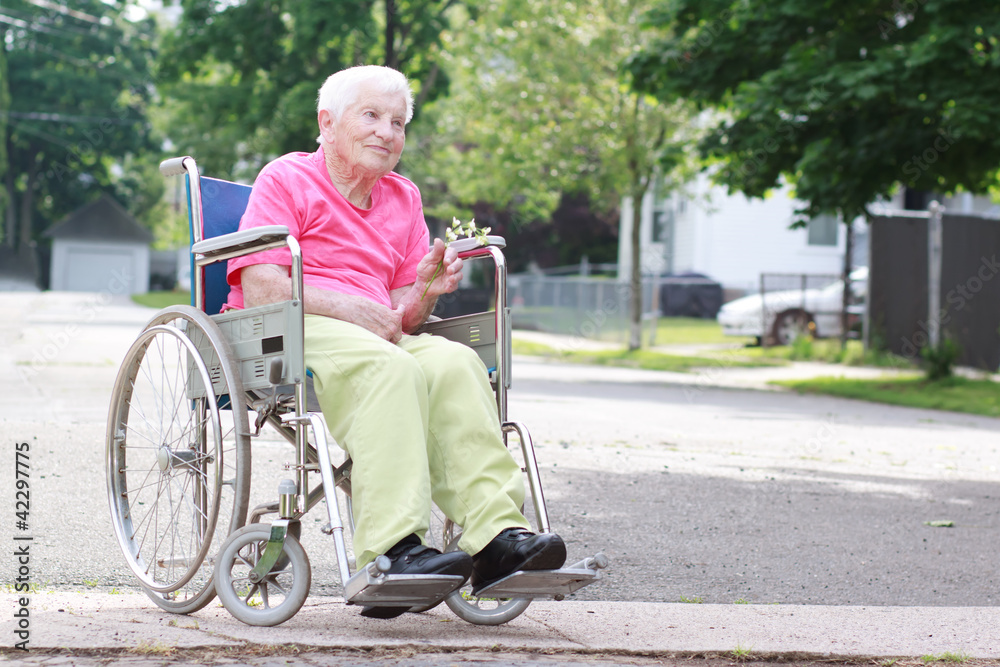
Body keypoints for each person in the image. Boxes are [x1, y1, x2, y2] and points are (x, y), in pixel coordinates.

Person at [224, 65, 566, 618]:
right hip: (292, 327)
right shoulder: (287, 179)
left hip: (378, 334)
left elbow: (403, 317)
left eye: (399, 122)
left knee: (455, 363)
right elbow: (264, 286)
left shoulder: (403, 197)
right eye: (372, 116)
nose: (387, 131)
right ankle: (391, 551)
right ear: (327, 122)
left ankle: (497, 538)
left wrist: (425, 290)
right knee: (392, 369)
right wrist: (346, 305)